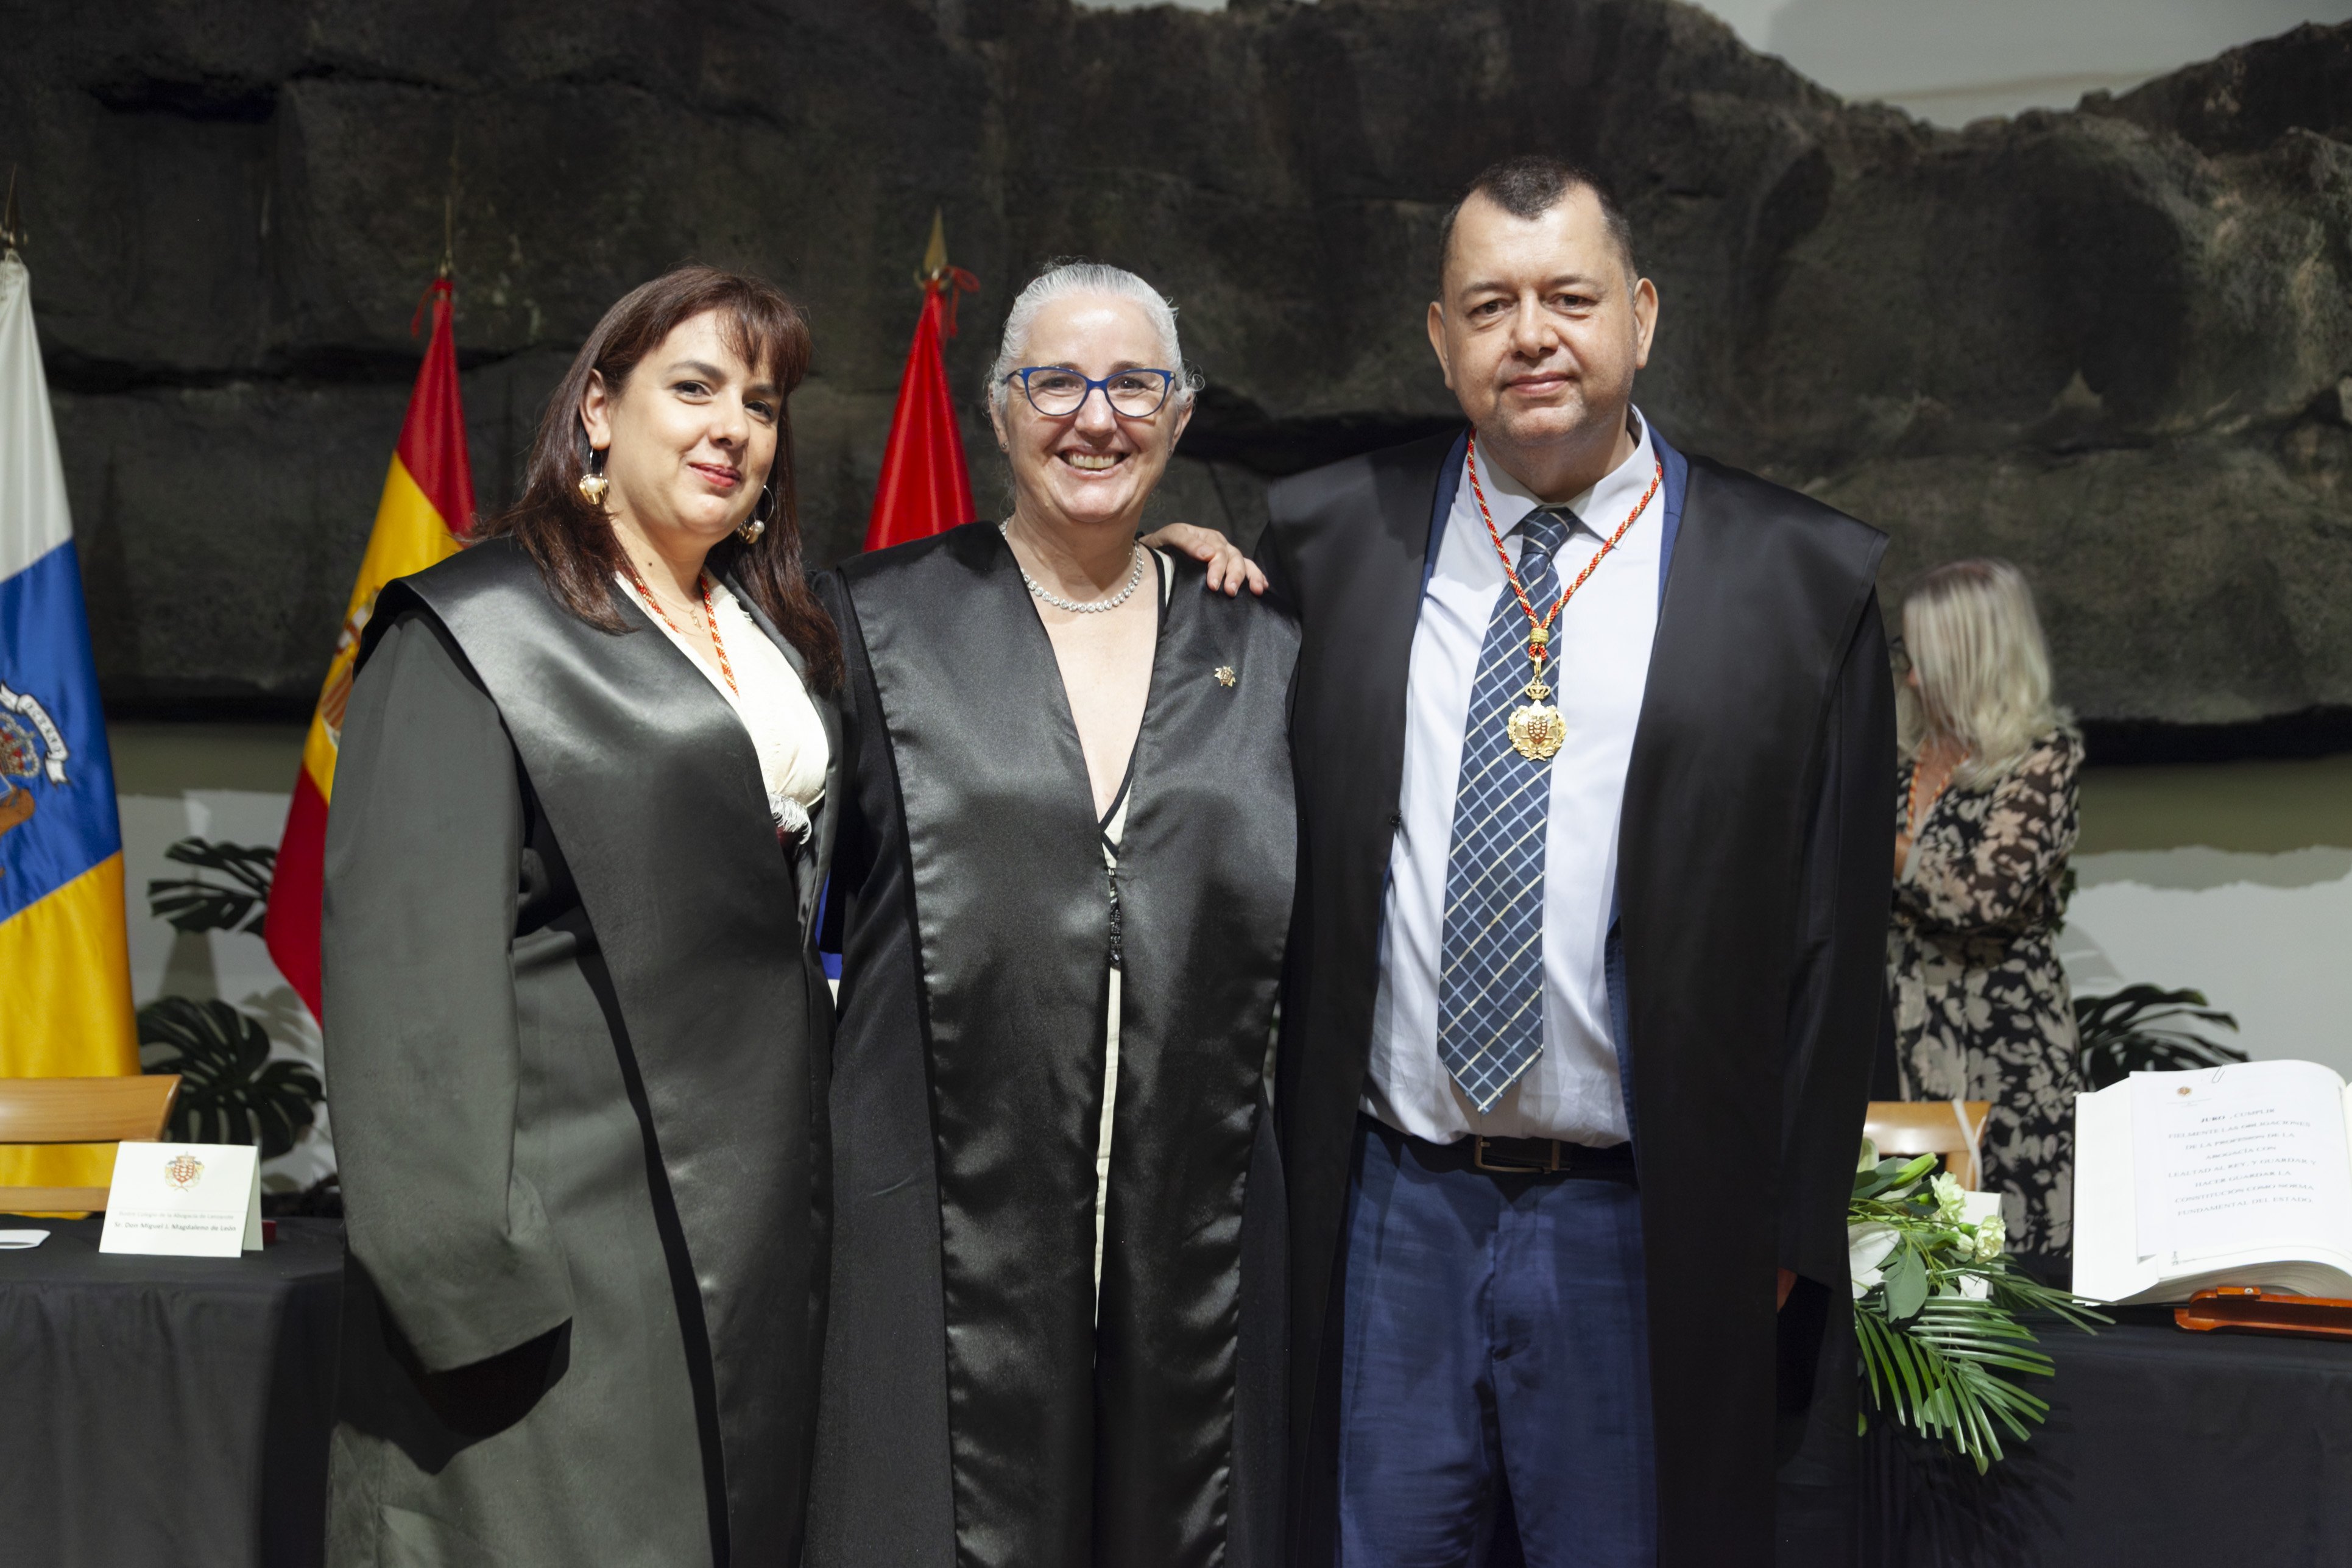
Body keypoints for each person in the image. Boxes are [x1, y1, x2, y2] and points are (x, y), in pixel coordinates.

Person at [1252, 156, 1896, 1566]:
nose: (1529, 334)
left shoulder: (1795, 579)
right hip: (1394, 1206)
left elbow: (1837, 935)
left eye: (1567, 296)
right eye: (1488, 304)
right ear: (1438, 338)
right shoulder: (1326, 546)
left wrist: (1782, 1220)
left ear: (1641, 316)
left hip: (1644, 1221)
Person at [322, 267, 840, 1568]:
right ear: (598, 411)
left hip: (743, 1240)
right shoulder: (475, 630)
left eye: (762, 403)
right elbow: (408, 992)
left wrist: (1145, 563)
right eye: (694, 387)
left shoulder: (771, 628)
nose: (733, 426)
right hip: (562, 1253)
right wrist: (472, 1290)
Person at [803, 262, 1296, 1568]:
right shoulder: (878, 623)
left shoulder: (1261, 650)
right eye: (1055, 382)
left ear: (1181, 415)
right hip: (943, 1205)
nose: (1096, 415)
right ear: (997, 410)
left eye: (1135, 382)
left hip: (1190, 1220)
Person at [1890, 557, 2084, 1264]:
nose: (1911, 678)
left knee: (2013, 1275)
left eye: (1928, 660)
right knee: (1909, 1282)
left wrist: (1876, 844)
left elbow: (1981, 896)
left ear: (1974, 661)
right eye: (1907, 655)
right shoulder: (1899, 756)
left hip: (2007, 1057)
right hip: (1903, 1049)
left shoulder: (2042, 760)